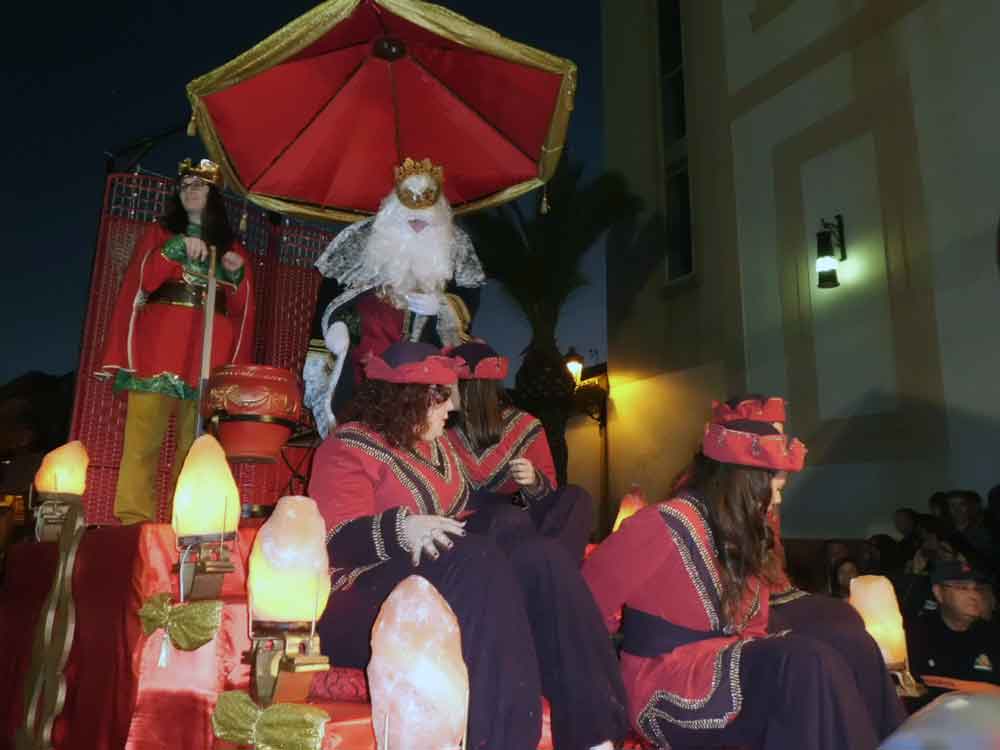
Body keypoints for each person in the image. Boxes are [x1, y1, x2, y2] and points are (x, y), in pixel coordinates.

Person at [308, 342, 627, 750]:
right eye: (441, 398)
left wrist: (525, 501)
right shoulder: (348, 446)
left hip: (452, 579)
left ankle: (595, 735)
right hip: (361, 603)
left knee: (541, 558)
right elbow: (334, 542)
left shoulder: (437, 448)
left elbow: (469, 509)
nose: (452, 408)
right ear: (407, 400)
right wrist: (402, 529)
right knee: (477, 559)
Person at [583, 416, 904, 750]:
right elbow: (582, 607)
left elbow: (755, 627)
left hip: (725, 663)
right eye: (776, 489)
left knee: (852, 642)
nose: (778, 500)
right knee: (804, 662)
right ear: (745, 483)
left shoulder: (743, 535)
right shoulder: (660, 524)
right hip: (664, 681)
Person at [98, 158, 255, 524]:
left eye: (198, 186)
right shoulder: (161, 233)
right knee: (143, 441)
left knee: (195, 446)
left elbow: (241, 304)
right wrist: (175, 249)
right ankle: (134, 520)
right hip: (159, 345)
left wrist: (236, 273)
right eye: (184, 186)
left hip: (207, 348)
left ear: (213, 195)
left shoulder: (229, 245)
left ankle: (185, 521)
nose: (190, 191)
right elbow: (143, 279)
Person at [302, 157, 485, 438]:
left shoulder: (456, 249)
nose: (418, 219)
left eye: (426, 207)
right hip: (362, 379)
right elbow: (333, 298)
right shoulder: (359, 242)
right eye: (409, 203)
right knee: (361, 442)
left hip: (424, 379)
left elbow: (468, 302)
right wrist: (339, 326)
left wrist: (443, 306)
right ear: (392, 209)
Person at [444, 340, 594, 561]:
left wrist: (533, 481)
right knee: (507, 517)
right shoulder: (441, 430)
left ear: (470, 388)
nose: (442, 389)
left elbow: (548, 495)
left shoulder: (526, 426)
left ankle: (556, 563)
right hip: (477, 526)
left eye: (449, 382)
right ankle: (545, 568)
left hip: (526, 518)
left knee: (576, 497)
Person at [906, 560, 999, 688]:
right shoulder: (914, 635)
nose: (973, 595)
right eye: (962, 588)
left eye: (978, 588)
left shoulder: (993, 636)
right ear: (938, 593)